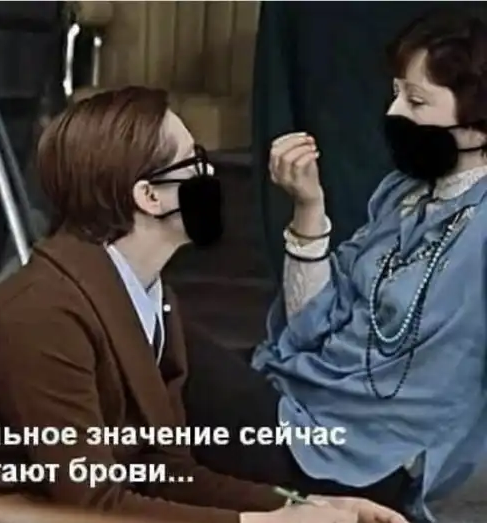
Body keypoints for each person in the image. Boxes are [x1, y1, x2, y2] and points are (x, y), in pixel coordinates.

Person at [0, 87, 405, 523]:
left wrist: (305, 505)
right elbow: (91, 504)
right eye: (195, 163)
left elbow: (163, 470)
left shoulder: (148, 295)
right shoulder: (44, 312)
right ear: (148, 196)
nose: (212, 177)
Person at [183, 7, 487, 523]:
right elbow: (310, 323)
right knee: (154, 356)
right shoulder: (402, 194)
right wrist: (309, 207)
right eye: (395, 93)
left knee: (159, 339)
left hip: (366, 462)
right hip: (302, 404)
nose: (394, 112)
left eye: (416, 101)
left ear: (478, 127)